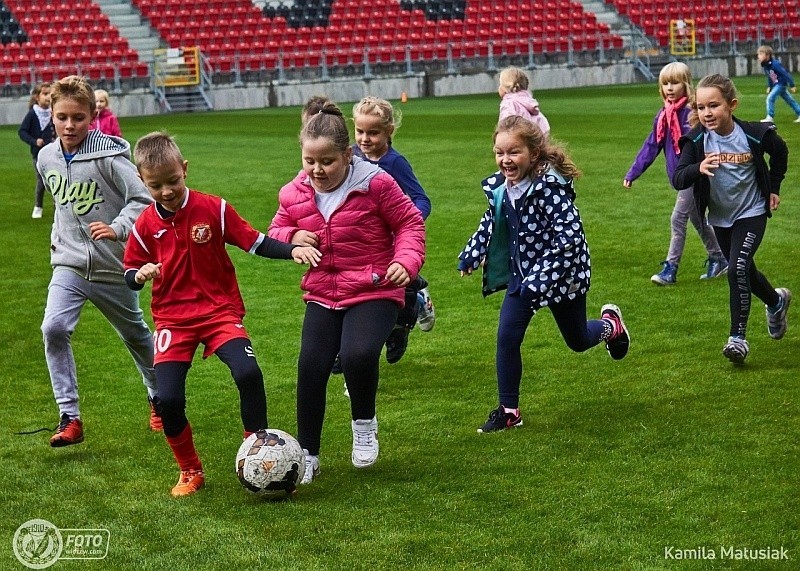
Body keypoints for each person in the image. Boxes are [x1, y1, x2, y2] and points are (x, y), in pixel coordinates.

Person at [125, 132, 320, 496]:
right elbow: (130, 274)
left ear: (185, 170)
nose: (167, 191)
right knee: (168, 399)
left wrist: (290, 248)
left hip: (218, 311)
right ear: (142, 181)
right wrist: (139, 275)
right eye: (156, 185)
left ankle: (260, 455)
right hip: (172, 320)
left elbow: (254, 241)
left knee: (248, 372)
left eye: (173, 181)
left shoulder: (213, 209)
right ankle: (189, 470)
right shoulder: (144, 226)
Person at [268, 101, 425, 483]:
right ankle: (307, 454)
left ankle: (364, 425)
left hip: (374, 286)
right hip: (323, 290)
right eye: (309, 161)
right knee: (311, 366)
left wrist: (406, 261)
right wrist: (292, 239)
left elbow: (410, 223)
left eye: (327, 162)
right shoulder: (294, 193)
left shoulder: (376, 183)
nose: (317, 170)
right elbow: (274, 231)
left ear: (347, 155)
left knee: (357, 354)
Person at [458, 116, 630, 433]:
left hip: (564, 277)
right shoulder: (500, 189)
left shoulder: (550, 190)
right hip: (523, 279)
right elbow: (491, 223)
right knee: (507, 338)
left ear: (534, 154)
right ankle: (509, 411)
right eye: (499, 153)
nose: (505, 160)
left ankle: (611, 326)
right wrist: (473, 252)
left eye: (514, 152)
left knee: (577, 341)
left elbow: (570, 240)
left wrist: (540, 278)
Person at [36, 75, 161, 448]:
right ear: (52, 116)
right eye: (62, 117)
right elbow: (63, 205)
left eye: (78, 117)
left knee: (137, 335)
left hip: (113, 265)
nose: (69, 125)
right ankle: (70, 416)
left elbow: (142, 199)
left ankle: (158, 397)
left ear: (92, 116)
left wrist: (119, 228)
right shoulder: (46, 157)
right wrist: (60, 241)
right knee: (53, 328)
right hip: (69, 264)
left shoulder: (109, 156)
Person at [672, 73, 791, 364]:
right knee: (745, 271)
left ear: (732, 105)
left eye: (714, 106)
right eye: (701, 107)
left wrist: (773, 188)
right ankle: (776, 302)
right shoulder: (697, 140)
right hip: (720, 219)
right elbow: (678, 178)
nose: (707, 113)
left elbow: (781, 152)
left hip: (751, 213)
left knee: (737, 267)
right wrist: (698, 167)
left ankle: (737, 339)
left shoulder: (753, 134)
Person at [623, 62, 727, 285]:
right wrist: (633, 172)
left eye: (675, 82)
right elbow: (652, 145)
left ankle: (670, 269)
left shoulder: (692, 114)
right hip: (679, 177)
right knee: (698, 219)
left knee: (677, 219)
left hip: (695, 175)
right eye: (665, 83)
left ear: (686, 84)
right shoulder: (663, 116)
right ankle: (718, 257)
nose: (670, 87)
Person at [352, 95, 434, 369]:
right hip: (359, 237)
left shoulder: (395, 163)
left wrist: (407, 221)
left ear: (389, 132)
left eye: (373, 133)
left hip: (389, 238)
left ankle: (412, 307)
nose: (364, 139)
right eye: (360, 131)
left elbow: (421, 199)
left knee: (391, 284)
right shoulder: (350, 155)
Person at [18, 82, 55, 219]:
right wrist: (34, 141)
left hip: (54, 153)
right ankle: (38, 206)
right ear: (37, 97)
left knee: (56, 179)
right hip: (38, 154)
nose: (48, 97)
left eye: (50, 94)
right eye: (45, 94)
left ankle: (58, 206)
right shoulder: (33, 114)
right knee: (41, 181)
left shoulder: (54, 112)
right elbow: (22, 131)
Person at [497, 66, 550, 136]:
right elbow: (543, 124)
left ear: (506, 88)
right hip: (535, 140)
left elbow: (506, 126)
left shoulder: (508, 103)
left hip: (517, 140)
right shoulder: (529, 103)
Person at [756, 45, 800, 123]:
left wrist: (792, 85)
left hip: (780, 84)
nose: (758, 56)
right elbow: (770, 76)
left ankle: (770, 116)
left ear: (767, 55)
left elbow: (785, 74)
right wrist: (769, 86)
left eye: (760, 54)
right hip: (777, 85)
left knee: (770, 98)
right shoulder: (766, 65)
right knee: (790, 100)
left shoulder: (775, 64)